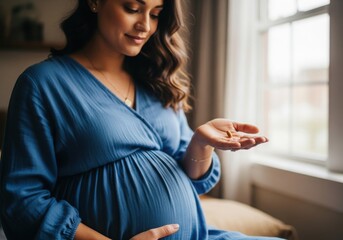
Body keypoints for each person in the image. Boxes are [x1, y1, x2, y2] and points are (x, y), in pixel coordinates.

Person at [0, 0, 283, 239]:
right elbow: (23, 199)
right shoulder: (43, 83)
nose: (145, 26)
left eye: (156, 13)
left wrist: (201, 143)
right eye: (133, 8)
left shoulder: (157, 82)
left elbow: (194, 181)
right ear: (95, 2)